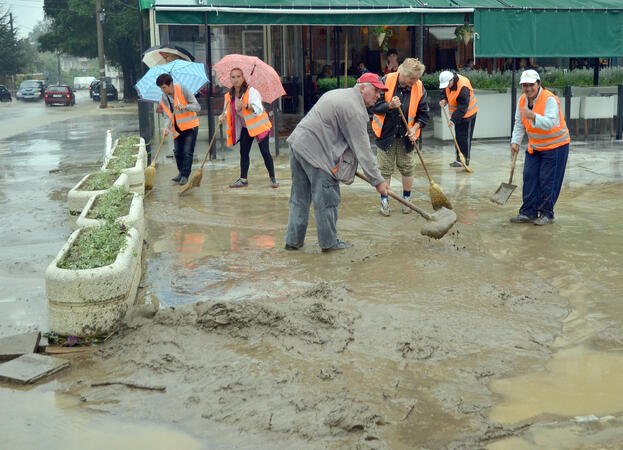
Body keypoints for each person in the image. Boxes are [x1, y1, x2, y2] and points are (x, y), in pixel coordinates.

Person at [285, 73, 390, 252]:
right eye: (376, 91)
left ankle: (293, 240)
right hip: (317, 154)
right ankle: (329, 243)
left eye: (381, 92)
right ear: (363, 88)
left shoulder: (339, 94)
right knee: (327, 199)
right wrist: (378, 181)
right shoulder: (354, 109)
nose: (378, 96)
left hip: (297, 146)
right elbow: (363, 150)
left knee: (299, 198)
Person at [368, 58, 430, 216]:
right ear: (402, 73)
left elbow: (424, 115)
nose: (414, 82)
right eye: (411, 79)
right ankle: (384, 201)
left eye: (416, 79)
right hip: (385, 134)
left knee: (408, 167)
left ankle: (406, 200)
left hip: (407, 137)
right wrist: (389, 105)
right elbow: (373, 106)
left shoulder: (419, 87)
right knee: (385, 169)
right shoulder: (385, 81)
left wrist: (415, 128)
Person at [509, 69, 570, 226]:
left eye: (531, 85)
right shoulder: (522, 100)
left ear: (539, 84)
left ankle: (546, 214)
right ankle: (528, 212)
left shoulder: (550, 99)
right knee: (529, 178)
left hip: (555, 146)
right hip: (535, 146)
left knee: (547, 180)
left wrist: (534, 116)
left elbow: (550, 123)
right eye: (525, 85)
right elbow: (519, 123)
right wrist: (515, 141)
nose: (528, 89)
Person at [218, 68, 278, 189]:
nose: (236, 79)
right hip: (246, 127)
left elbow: (259, 109)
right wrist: (222, 116)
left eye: (238, 76)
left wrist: (245, 105)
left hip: (259, 126)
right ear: (230, 79)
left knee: (265, 152)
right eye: (233, 77)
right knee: (243, 152)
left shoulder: (252, 92)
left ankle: (273, 178)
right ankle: (243, 179)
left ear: (243, 78)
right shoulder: (229, 96)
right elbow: (227, 110)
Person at [157, 73, 200, 185]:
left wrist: (185, 106)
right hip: (177, 128)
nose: (163, 90)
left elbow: (197, 106)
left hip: (190, 126)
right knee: (177, 152)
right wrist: (166, 128)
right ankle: (181, 172)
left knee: (187, 152)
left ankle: (185, 175)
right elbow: (168, 115)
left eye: (164, 87)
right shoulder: (164, 97)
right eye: (161, 88)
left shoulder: (183, 90)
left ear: (171, 84)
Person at [439, 70, 478, 167]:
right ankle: (459, 159)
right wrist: (444, 99)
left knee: (465, 138)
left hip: (468, 113)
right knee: (458, 137)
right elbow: (444, 91)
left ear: (452, 80)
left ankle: (465, 160)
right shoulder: (448, 84)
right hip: (457, 114)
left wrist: (452, 120)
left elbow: (462, 108)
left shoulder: (463, 87)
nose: (446, 86)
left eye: (447, 84)